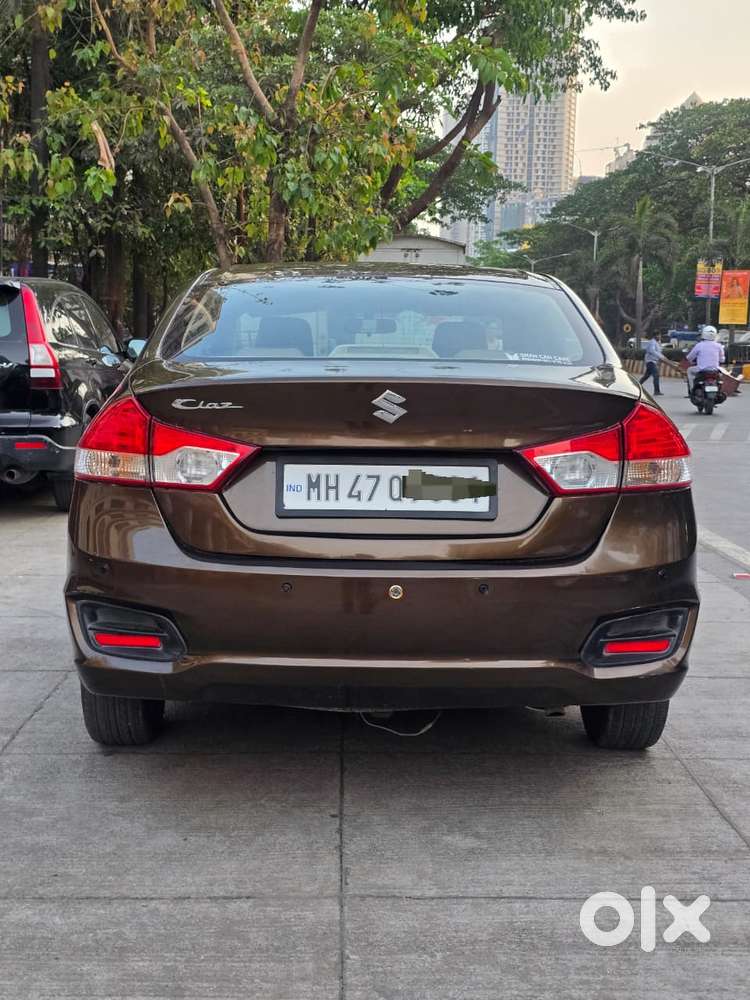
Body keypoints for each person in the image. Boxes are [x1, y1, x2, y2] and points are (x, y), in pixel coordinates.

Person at [686, 326, 725, 393]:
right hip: (715, 369)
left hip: (702, 369)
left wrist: (690, 361)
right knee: (721, 376)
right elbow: (722, 360)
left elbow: (690, 357)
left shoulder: (699, 345)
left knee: (689, 370)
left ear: (703, 334)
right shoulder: (719, 346)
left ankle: (692, 389)